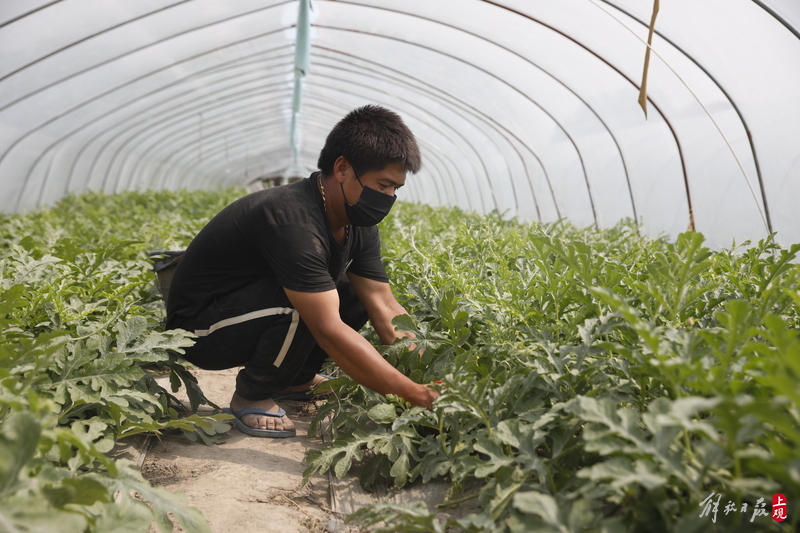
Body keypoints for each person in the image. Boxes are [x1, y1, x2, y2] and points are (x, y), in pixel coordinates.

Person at [166, 105, 440, 437]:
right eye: (382, 185)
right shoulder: (292, 218)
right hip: (199, 330)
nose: (389, 197)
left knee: (351, 294)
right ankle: (252, 392)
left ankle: (294, 379)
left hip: (248, 312)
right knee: (305, 303)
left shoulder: (359, 224)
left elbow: (384, 307)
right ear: (342, 168)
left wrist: (434, 370)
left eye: (396, 188)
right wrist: (417, 396)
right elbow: (327, 330)